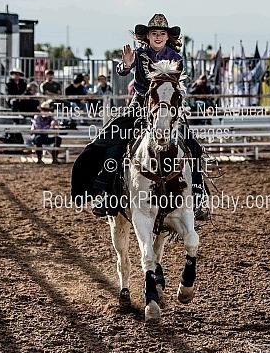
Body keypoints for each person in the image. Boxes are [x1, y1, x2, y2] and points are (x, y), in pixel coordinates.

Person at [71, 13, 207, 219]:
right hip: (140, 105)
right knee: (113, 141)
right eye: (154, 33)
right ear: (148, 36)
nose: (158, 37)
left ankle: (197, 193)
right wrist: (126, 65)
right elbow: (123, 71)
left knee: (193, 147)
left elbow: (177, 85)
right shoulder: (139, 54)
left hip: (166, 108)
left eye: (162, 33)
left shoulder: (176, 58)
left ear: (168, 37)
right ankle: (104, 193)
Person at [31, 100, 62, 164]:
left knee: (58, 139)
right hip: (36, 136)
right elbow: (39, 129)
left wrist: (54, 121)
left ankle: (54, 158)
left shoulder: (50, 117)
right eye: (44, 110)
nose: (45, 112)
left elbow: (56, 121)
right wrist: (49, 125)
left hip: (45, 136)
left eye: (46, 110)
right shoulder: (37, 117)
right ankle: (39, 158)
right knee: (38, 139)